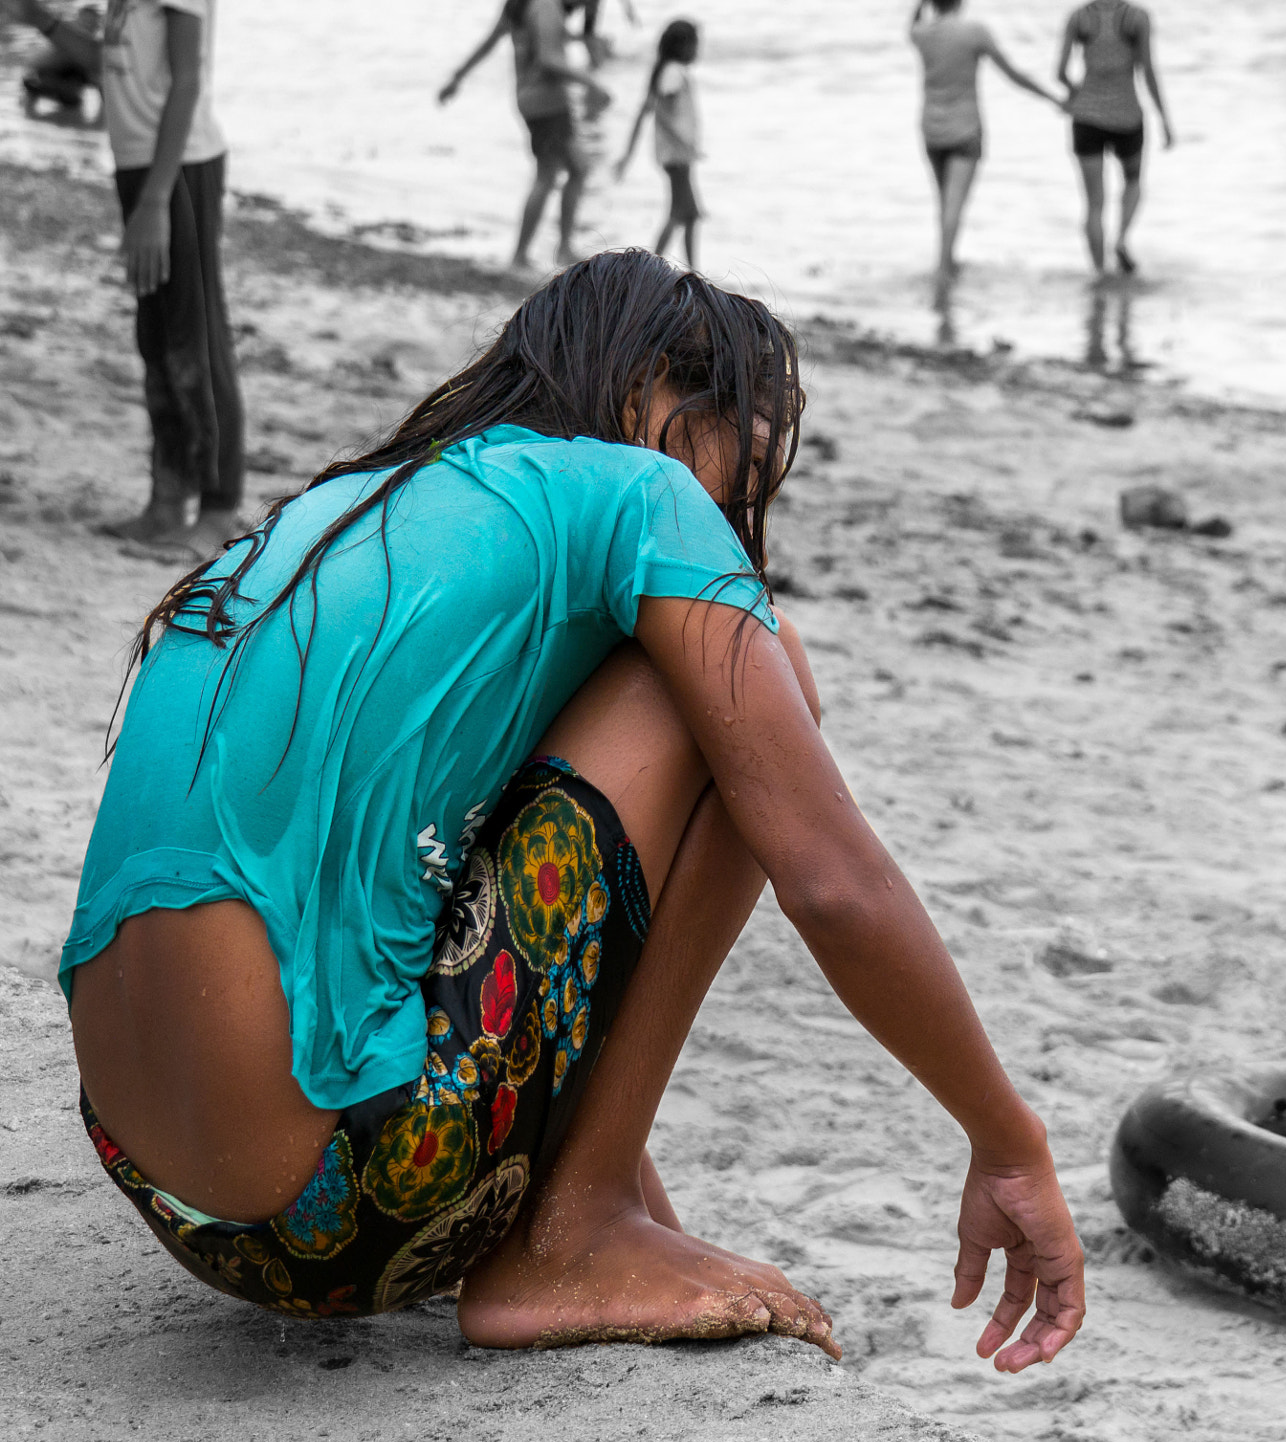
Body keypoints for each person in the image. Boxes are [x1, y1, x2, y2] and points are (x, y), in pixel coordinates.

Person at [58, 253, 1087, 1363]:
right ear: (654, 398)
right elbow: (831, 880)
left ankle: (597, 1207)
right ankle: (575, 1230)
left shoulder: (352, 502)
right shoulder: (635, 490)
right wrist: (1007, 1141)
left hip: (158, 1181)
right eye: (735, 473)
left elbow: (507, 897)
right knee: (756, 677)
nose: (732, 521)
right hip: (340, 1210)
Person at [3, 0, 245, 554]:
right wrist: (38, 17)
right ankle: (167, 501)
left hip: (181, 169)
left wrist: (157, 199)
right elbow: (109, 66)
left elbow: (187, 83)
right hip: (138, 163)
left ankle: (217, 510)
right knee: (157, 340)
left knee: (197, 339)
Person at [439, 0, 612, 271]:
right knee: (548, 175)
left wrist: (457, 77)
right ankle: (527, 254)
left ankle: (559, 248)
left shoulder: (521, 5)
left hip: (530, 99)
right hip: (547, 102)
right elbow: (549, 60)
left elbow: (490, 43)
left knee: (577, 168)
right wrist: (591, 82)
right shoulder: (546, 6)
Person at [909, 0, 1064, 282]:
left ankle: (946, 262)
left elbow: (913, 24)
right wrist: (1052, 97)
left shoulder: (922, 34)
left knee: (944, 201)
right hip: (966, 129)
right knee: (954, 204)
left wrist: (922, 4)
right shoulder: (974, 32)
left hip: (931, 128)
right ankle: (943, 270)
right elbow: (1013, 74)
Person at [1056, 0, 1173, 276]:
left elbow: (1059, 72)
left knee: (1094, 204)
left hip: (1086, 118)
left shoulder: (1079, 18)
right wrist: (1164, 119)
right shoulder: (1136, 18)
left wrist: (1075, 93)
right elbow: (1148, 70)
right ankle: (1120, 238)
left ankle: (1099, 273)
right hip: (1127, 117)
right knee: (1133, 181)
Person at [615, 19, 704, 271]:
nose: (698, 51)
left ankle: (693, 271)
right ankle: (652, 267)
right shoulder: (674, 71)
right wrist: (684, 139)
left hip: (676, 154)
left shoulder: (666, 69)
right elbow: (660, 109)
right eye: (696, 44)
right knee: (679, 214)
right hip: (676, 154)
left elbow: (648, 109)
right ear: (684, 45)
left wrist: (627, 154)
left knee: (689, 214)